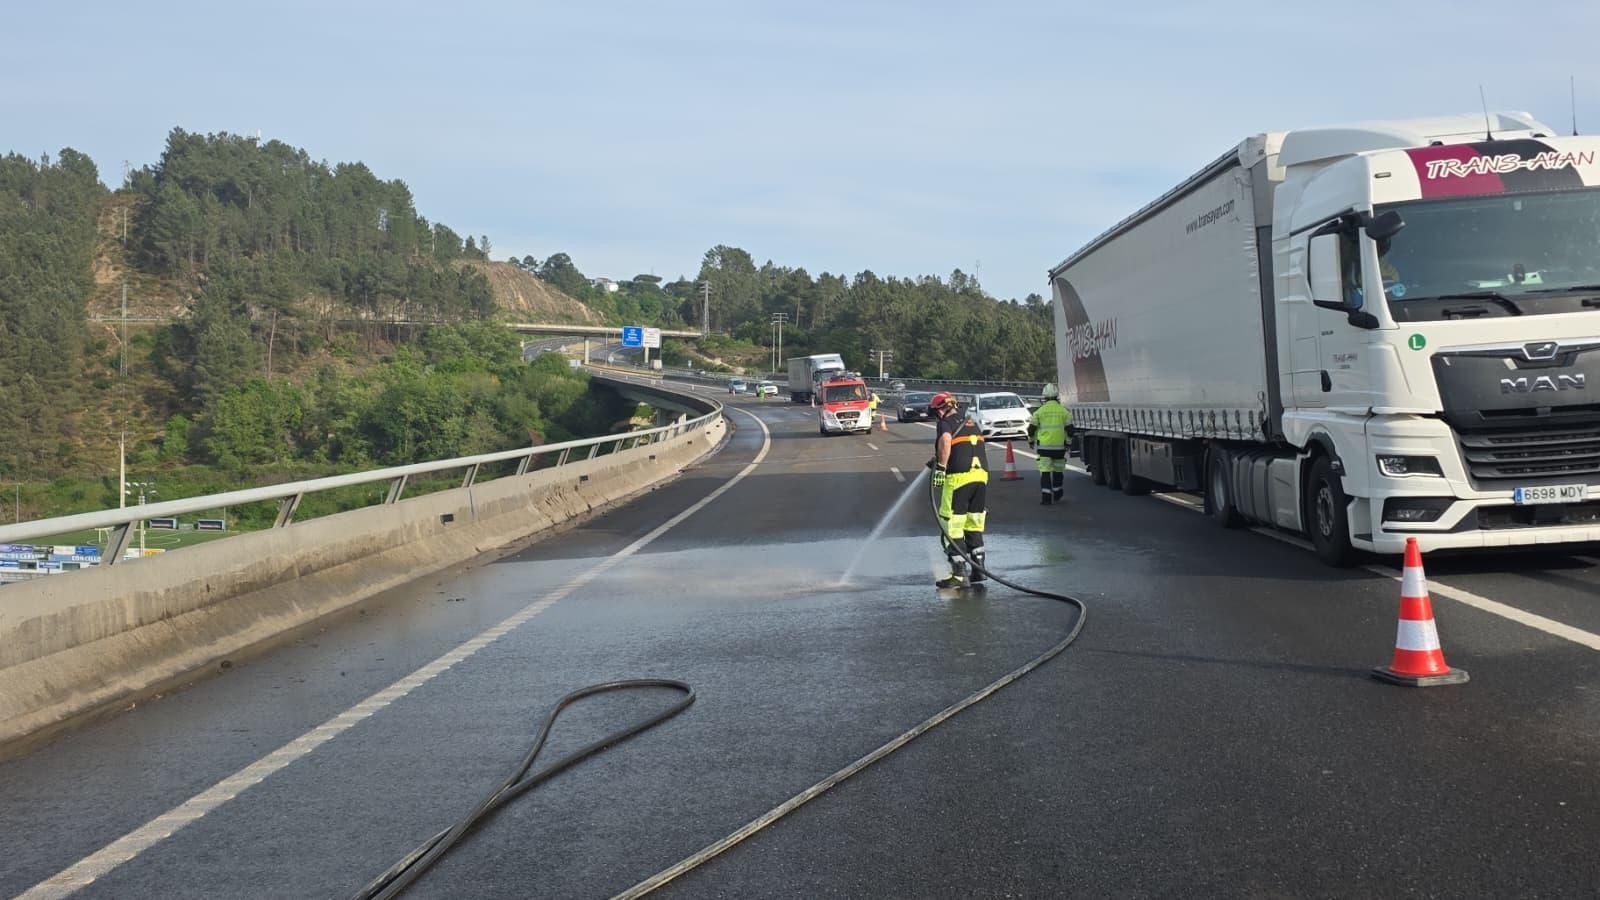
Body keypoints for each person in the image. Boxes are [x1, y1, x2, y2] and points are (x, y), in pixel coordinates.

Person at [926, 391, 988, 589]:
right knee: (973, 523)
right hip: (980, 477)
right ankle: (979, 569)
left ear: (940, 409)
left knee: (951, 525)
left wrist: (941, 468)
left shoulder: (945, 423)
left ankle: (959, 575)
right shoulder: (971, 422)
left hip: (958, 479)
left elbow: (945, 441)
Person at [1028, 384, 1071, 505]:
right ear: (1057, 397)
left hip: (1044, 448)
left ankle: (1046, 498)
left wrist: (1031, 441)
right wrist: (1068, 443)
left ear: (1044, 397)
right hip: (1059, 448)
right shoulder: (1064, 412)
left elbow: (1031, 429)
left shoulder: (1039, 412)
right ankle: (1057, 492)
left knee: (1045, 471)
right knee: (1058, 470)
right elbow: (1070, 430)